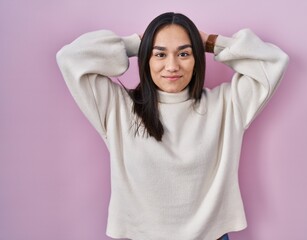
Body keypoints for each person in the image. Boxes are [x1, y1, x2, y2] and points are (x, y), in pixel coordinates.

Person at [56, 12, 289, 240]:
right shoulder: (117, 107)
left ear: (197, 58)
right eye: (159, 55)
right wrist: (139, 43)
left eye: (184, 53)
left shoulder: (227, 104)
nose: (172, 66)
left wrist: (210, 42)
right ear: (146, 58)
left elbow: (273, 61)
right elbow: (70, 57)